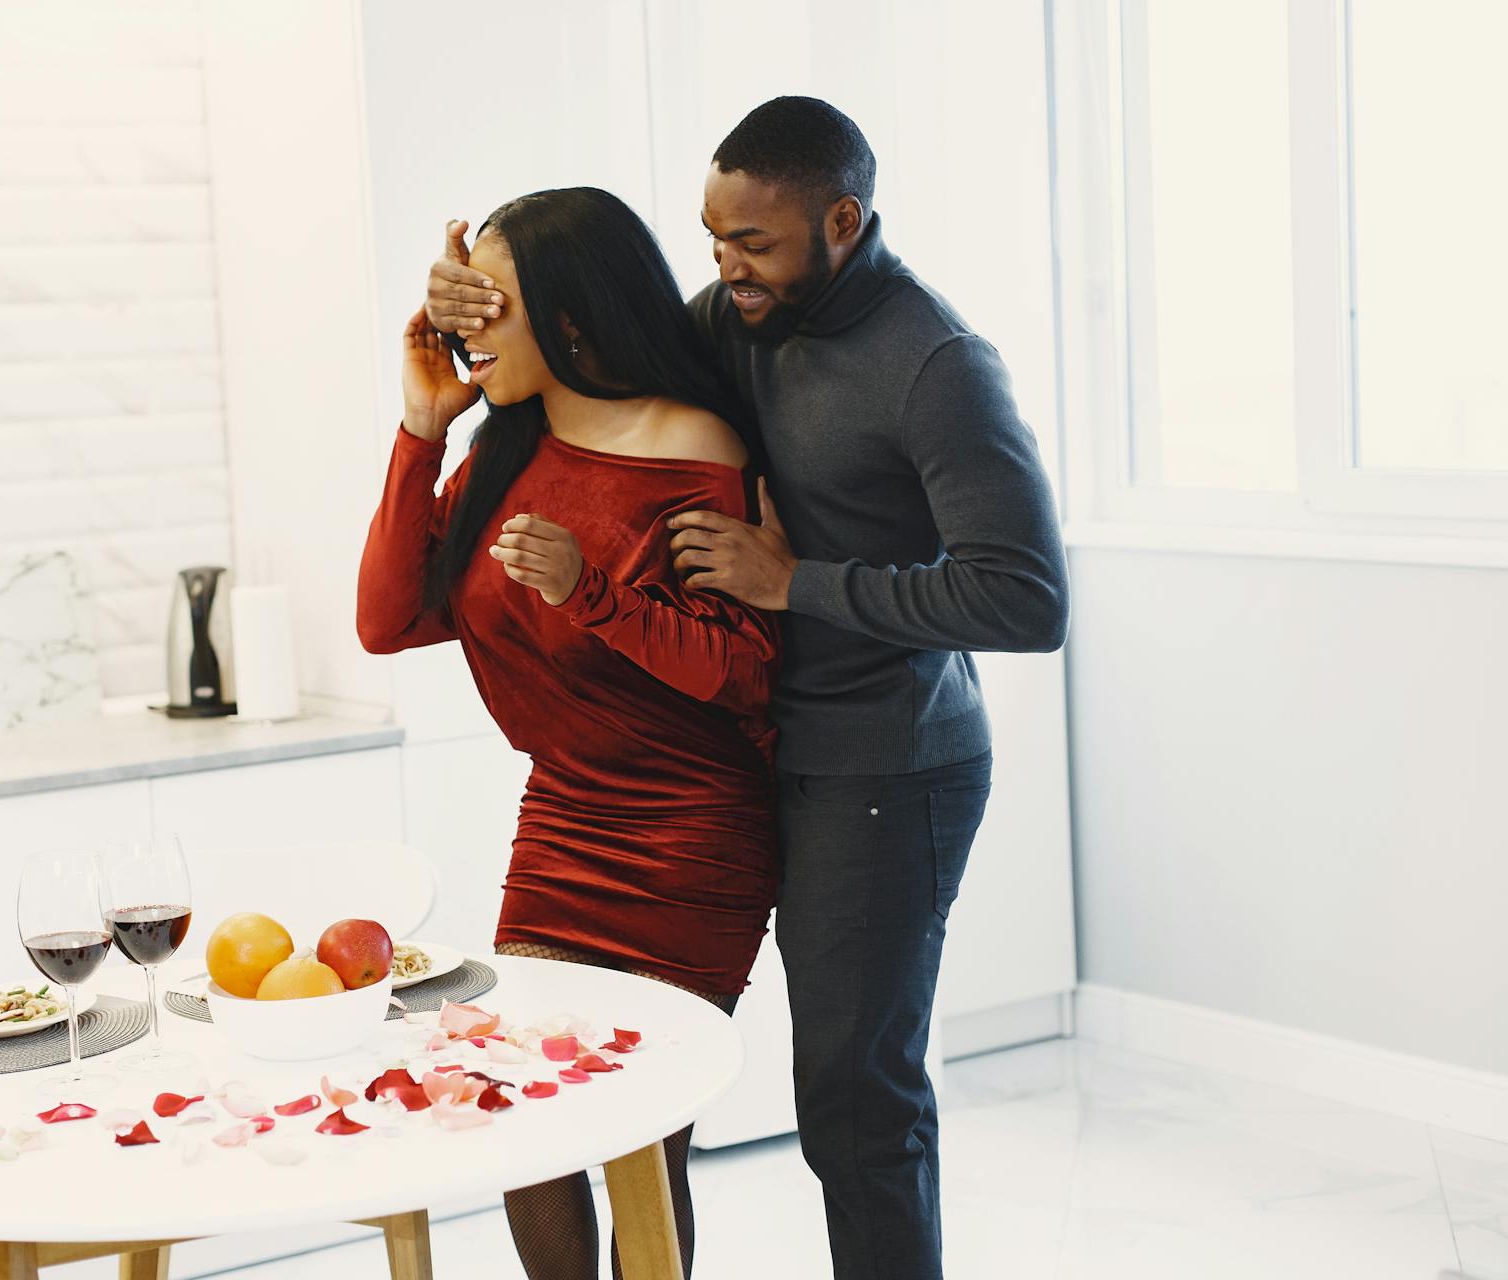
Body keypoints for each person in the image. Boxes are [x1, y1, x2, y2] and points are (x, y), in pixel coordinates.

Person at [425, 97, 1070, 1280]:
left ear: (842, 220)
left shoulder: (937, 365)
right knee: (610, 1074)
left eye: (753, 244)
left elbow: (1026, 600)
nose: (723, 269)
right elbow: (594, 352)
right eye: (711, 239)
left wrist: (800, 582)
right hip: (731, 756)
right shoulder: (730, 317)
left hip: (880, 765)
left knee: (851, 1097)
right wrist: (467, 308)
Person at [358, 185, 781, 1280]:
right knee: (519, 1110)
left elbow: (738, 670)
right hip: (564, 817)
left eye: (492, 305)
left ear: (575, 313)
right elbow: (388, 618)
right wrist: (419, 429)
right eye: (463, 303)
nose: (467, 329)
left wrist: (591, 591)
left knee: (641, 1127)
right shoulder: (502, 451)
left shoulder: (695, 443)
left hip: (691, 833)